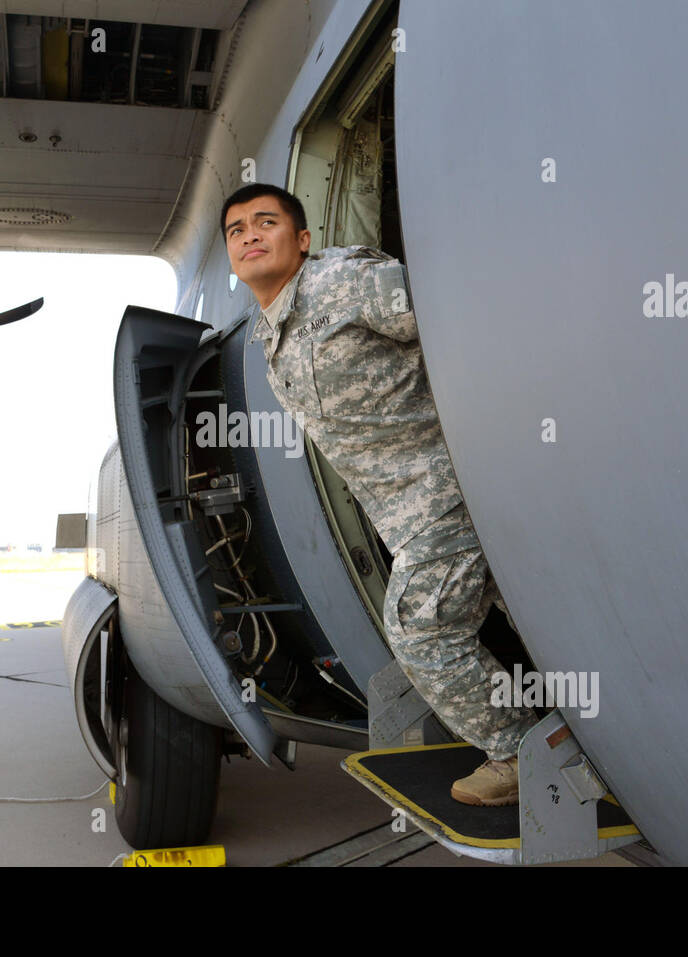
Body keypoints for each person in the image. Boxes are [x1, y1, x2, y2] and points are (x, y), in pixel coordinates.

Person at [221, 182, 539, 806]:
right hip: (405, 510)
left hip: (445, 490)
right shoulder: (272, 331)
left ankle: (521, 754)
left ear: (303, 239)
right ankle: (607, 737)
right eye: (237, 230)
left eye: (267, 222)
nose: (251, 235)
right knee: (532, 614)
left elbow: (456, 321)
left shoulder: (343, 281)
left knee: (420, 630)